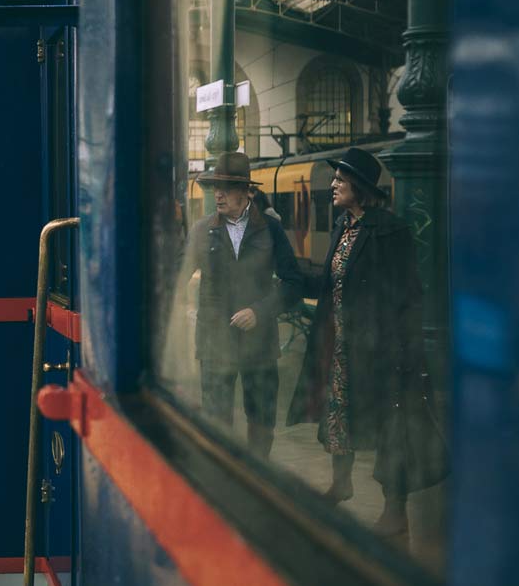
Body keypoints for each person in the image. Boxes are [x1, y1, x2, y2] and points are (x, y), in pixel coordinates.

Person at [288, 147, 448, 536]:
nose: (334, 186)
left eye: (341, 180)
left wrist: (406, 350)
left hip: (381, 348)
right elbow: (330, 284)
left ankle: (396, 510)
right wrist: (286, 280)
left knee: (394, 426)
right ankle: (341, 483)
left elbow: (409, 295)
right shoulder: (344, 227)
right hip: (341, 343)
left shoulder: (390, 231)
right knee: (338, 411)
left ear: (360, 187)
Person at [184, 151, 303, 459]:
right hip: (214, 342)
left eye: (227, 187)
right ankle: (222, 479)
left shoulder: (271, 230)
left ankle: (258, 474)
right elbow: (176, 276)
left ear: (247, 191)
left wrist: (260, 312)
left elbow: (293, 284)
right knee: (216, 420)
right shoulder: (201, 231)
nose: (218, 195)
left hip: (259, 344)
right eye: (215, 187)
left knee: (261, 419)